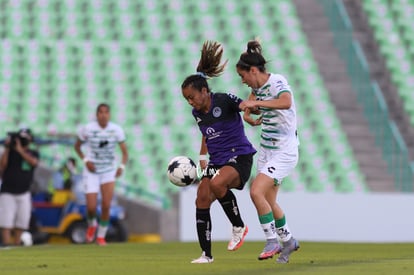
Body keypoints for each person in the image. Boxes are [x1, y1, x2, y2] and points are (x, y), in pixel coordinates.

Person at [181, 41, 257, 263]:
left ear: (204, 91)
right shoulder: (198, 113)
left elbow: (243, 105)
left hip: (239, 156)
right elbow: (207, 133)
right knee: (201, 197)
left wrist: (252, 108)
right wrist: (203, 157)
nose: (190, 102)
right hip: (217, 159)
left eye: (192, 97)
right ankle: (206, 255)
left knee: (216, 183)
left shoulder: (223, 100)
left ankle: (239, 226)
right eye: (186, 99)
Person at [237, 40, 300, 263]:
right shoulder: (257, 87)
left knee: (256, 192)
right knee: (269, 202)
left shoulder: (277, 81)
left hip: (284, 150)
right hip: (267, 149)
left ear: (253, 70)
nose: (243, 81)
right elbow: (252, 101)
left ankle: (272, 240)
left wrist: (258, 105)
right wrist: (248, 113)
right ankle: (289, 240)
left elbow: (285, 102)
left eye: (243, 76)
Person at [74, 103, 128, 246]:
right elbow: (77, 146)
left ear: (109, 115)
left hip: (108, 170)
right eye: (101, 112)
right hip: (92, 171)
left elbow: (125, 152)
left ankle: (101, 236)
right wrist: (86, 160)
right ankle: (92, 224)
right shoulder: (88, 129)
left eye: (106, 112)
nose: (103, 115)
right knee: (91, 207)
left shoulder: (116, 130)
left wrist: (121, 166)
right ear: (97, 114)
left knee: (106, 205)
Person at [0, 128, 39, 246]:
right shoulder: (9, 152)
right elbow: (2, 167)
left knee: (22, 221)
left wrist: (20, 150)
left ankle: (17, 245)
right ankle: (6, 244)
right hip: (8, 191)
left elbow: (34, 163)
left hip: (24, 192)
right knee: (6, 221)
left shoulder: (33, 153)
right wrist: (7, 148)